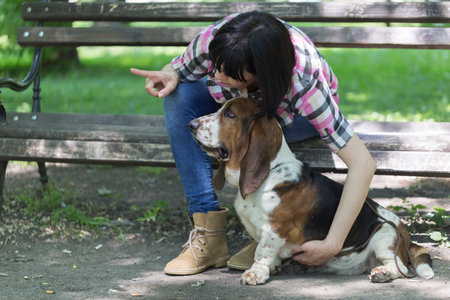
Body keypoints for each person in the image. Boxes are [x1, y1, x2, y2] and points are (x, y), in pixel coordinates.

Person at [130, 11, 376, 275]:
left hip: (293, 118)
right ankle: (208, 234)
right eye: (215, 65)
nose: (215, 74)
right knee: (179, 96)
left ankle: (263, 235)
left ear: (260, 75)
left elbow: (363, 164)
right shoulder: (220, 41)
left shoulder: (305, 85)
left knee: (260, 132)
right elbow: (177, 69)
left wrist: (333, 243)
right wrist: (170, 75)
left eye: (229, 73)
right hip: (235, 109)